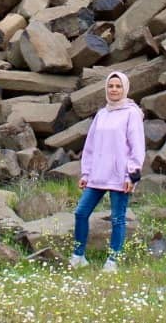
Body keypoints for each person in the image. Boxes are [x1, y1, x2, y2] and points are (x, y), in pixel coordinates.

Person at [70, 69, 145, 271]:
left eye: (118, 86)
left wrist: (133, 175)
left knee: (117, 218)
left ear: (125, 89)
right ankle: (78, 255)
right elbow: (91, 145)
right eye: (111, 86)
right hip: (97, 174)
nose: (114, 90)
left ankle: (113, 260)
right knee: (81, 212)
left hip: (120, 176)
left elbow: (137, 146)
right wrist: (86, 173)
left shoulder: (132, 113)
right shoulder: (102, 114)